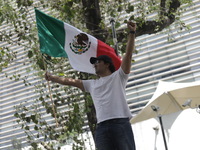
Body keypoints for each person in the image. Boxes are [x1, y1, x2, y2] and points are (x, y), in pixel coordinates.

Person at [45, 21, 136, 150]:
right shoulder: (92, 84)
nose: (94, 65)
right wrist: (52, 77)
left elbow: (128, 55)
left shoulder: (119, 77)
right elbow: (69, 81)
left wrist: (131, 33)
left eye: (97, 62)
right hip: (102, 128)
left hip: (120, 124)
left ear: (107, 64)